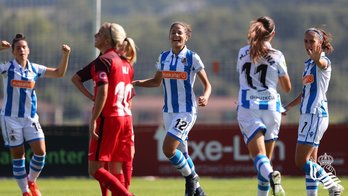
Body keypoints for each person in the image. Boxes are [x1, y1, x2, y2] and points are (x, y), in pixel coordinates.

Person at [133, 21, 211, 196]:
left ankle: (191, 180)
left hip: (186, 111)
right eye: (173, 32)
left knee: (168, 149)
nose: (176, 35)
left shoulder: (192, 57)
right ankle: (198, 191)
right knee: (183, 153)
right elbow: (155, 81)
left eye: (179, 33)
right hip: (168, 112)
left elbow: (207, 85)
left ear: (186, 37)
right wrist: (136, 83)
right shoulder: (163, 57)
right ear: (169, 36)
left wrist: (205, 96)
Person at [0, 35, 71, 196]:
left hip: (30, 118)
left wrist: (65, 55)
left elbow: (59, 73)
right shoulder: (7, 68)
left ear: (29, 50)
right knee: (19, 157)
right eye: (18, 48)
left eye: (24, 47)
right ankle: (25, 192)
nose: (22, 50)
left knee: (40, 152)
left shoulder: (35, 69)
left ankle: (31, 181)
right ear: (13, 52)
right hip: (10, 119)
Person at [71, 22, 136, 196]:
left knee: (95, 169)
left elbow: (103, 91)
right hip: (125, 118)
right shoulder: (126, 63)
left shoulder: (104, 61)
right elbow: (129, 96)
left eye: (99, 33)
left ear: (106, 40)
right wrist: (93, 97)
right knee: (115, 166)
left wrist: (93, 118)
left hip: (109, 117)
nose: (95, 35)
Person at [283, 27, 344, 196]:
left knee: (300, 161)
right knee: (310, 161)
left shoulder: (322, 61)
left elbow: (323, 64)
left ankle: (332, 185)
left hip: (315, 115)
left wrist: (318, 59)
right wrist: (288, 106)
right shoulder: (309, 64)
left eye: (312, 41)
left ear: (320, 43)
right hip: (308, 115)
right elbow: (305, 93)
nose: (308, 44)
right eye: (305, 41)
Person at [236, 16, 291, 196]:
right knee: (265, 159)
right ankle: (269, 181)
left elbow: (243, 78)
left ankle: (273, 175)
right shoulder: (277, 55)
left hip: (248, 106)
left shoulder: (243, 52)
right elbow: (287, 88)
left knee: (259, 158)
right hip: (272, 108)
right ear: (272, 34)